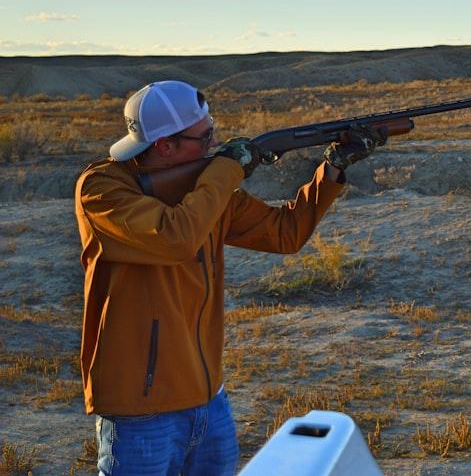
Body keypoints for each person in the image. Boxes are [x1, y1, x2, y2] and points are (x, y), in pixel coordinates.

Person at [74, 80, 386, 476]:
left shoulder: (205, 190)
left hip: (209, 401)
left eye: (213, 131)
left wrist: (333, 169)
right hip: (141, 411)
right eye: (204, 137)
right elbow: (176, 238)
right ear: (165, 145)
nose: (215, 143)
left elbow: (284, 233)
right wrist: (226, 169)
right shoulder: (102, 189)